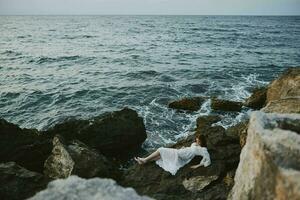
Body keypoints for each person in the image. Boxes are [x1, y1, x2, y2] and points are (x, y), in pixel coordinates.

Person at [134, 134, 211, 175]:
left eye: (198, 141)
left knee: (161, 150)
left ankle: (144, 160)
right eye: (196, 140)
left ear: (202, 142)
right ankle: (145, 161)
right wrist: (184, 148)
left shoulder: (203, 150)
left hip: (181, 156)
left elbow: (208, 160)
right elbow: (191, 149)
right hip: (182, 152)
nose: (196, 142)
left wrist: (198, 165)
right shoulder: (196, 144)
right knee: (160, 156)